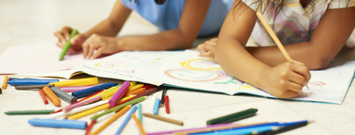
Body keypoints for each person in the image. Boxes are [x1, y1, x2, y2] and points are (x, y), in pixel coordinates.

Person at [197, 0, 355, 98]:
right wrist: (265, 77)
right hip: (266, 45)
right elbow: (226, 46)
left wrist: (239, 52)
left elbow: (318, 55)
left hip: (336, 49)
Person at [54, 0, 233, 59]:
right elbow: (113, 23)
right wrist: (83, 38)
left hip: (224, 19)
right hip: (171, 29)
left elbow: (184, 36)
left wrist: (117, 43)